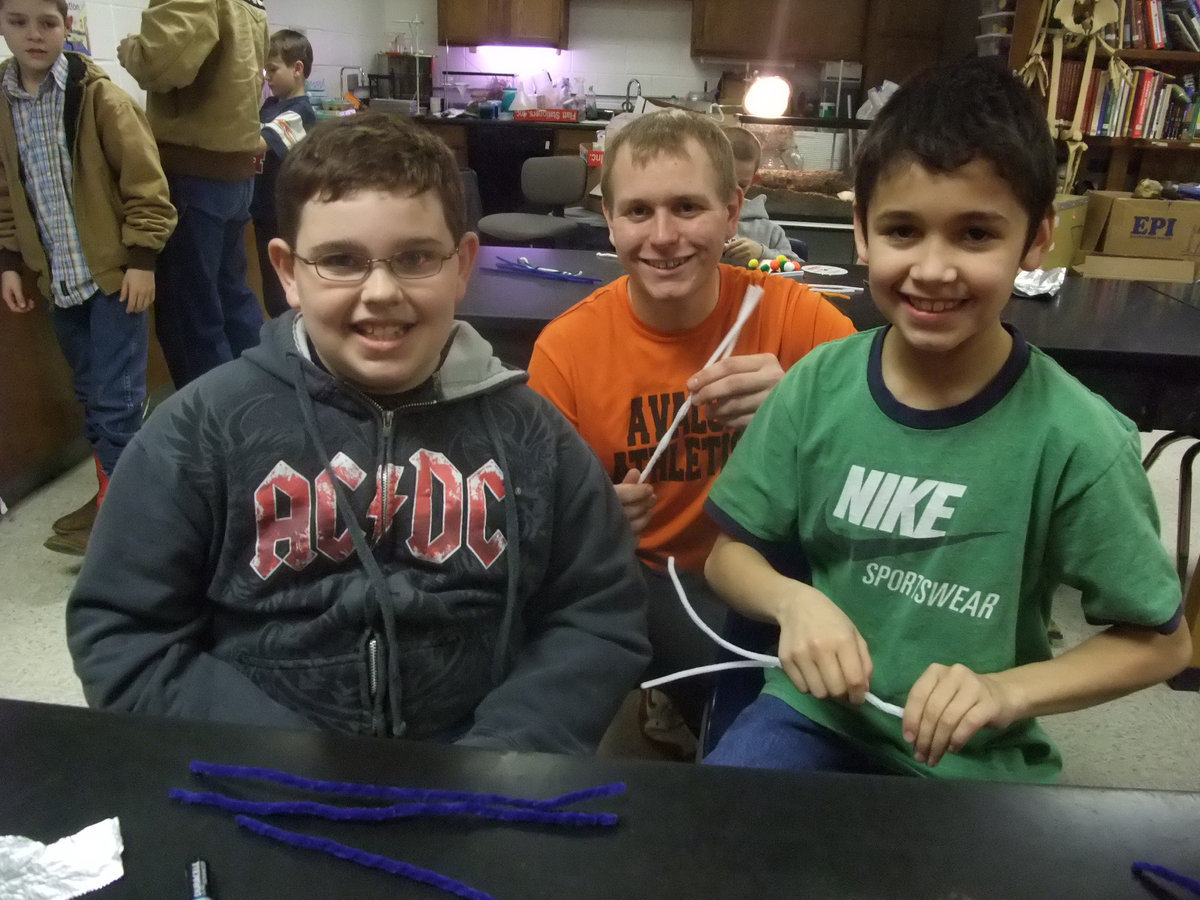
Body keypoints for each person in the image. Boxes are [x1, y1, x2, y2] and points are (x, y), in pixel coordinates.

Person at [65, 113, 651, 753]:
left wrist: (509, 751)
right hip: (253, 777)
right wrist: (280, 756)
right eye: (340, 260)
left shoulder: (534, 436)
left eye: (416, 258)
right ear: (287, 272)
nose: (381, 292)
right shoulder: (198, 432)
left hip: (486, 778)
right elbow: (125, 632)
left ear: (462, 265)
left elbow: (596, 615)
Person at [701, 57, 1193, 782]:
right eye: (903, 231)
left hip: (972, 753)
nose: (933, 269)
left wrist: (1005, 690)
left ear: (1036, 239)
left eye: (975, 235)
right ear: (861, 233)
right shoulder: (817, 386)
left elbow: (1163, 644)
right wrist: (792, 601)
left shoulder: (1077, 435)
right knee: (710, 846)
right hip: (812, 715)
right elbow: (726, 556)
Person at [526, 108, 854, 755]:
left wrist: (800, 413)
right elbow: (539, 534)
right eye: (639, 212)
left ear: (733, 213)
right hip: (651, 577)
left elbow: (882, 476)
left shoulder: (801, 320)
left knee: (821, 710)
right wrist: (587, 520)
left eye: (687, 208)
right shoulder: (565, 351)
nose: (664, 236)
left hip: (781, 571)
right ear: (610, 219)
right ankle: (680, 696)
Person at [0, 0, 175, 556]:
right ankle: (113, 496)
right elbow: (5, 192)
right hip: (59, 280)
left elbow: (147, 186)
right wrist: (11, 262)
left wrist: (143, 261)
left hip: (114, 278)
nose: (33, 35)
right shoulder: (3, 103)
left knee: (116, 402)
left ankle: (135, 529)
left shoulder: (100, 98)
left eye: (47, 23)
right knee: (90, 395)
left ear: (66, 25)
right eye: (18, 22)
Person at [117, 0, 269, 388]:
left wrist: (130, 48)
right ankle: (259, 408)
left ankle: (217, 434)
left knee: (193, 321)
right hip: (234, 172)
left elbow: (164, 63)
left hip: (193, 173)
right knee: (234, 303)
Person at [251, 28, 316, 319]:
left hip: (284, 214)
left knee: (286, 294)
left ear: (297, 69)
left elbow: (256, 142)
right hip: (263, 212)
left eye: (273, 70)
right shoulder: (271, 105)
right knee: (271, 287)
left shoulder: (299, 112)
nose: (267, 76)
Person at [721, 126, 802, 268]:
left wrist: (762, 252)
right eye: (724, 181)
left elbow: (796, 267)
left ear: (753, 181)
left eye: (742, 184)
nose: (733, 193)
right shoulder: (696, 223)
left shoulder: (770, 231)